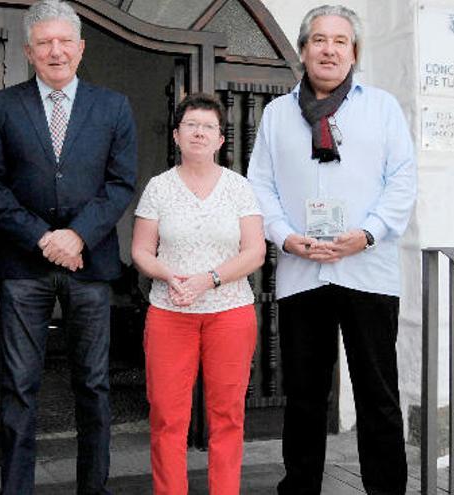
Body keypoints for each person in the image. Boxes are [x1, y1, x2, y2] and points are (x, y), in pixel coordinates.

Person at [247, 5, 416, 495]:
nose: (329, 49)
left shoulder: (382, 107)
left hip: (368, 269)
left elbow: (402, 181)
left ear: (354, 53)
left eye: (340, 41)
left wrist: (367, 233)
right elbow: (261, 185)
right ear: (303, 50)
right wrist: (284, 236)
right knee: (304, 395)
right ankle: (299, 487)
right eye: (318, 39)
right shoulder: (278, 114)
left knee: (377, 393)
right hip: (304, 271)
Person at [0, 0, 137, 493]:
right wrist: (42, 237)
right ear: (29, 50)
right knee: (19, 387)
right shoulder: (2, 106)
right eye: (45, 43)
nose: (56, 51)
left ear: (81, 48)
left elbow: (121, 183)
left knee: (93, 384)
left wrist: (78, 234)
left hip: (92, 265)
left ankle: (94, 487)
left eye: (65, 41)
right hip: (23, 267)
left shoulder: (113, 106)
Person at [131, 93, 265, 495]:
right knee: (167, 416)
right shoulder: (159, 187)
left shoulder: (239, 187)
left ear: (221, 139)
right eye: (191, 125)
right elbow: (140, 249)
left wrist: (209, 279)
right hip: (170, 312)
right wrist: (167, 274)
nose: (199, 133)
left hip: (230, 311)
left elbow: (255, 251)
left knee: (227, 415)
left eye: (208, 126)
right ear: (176, 134)